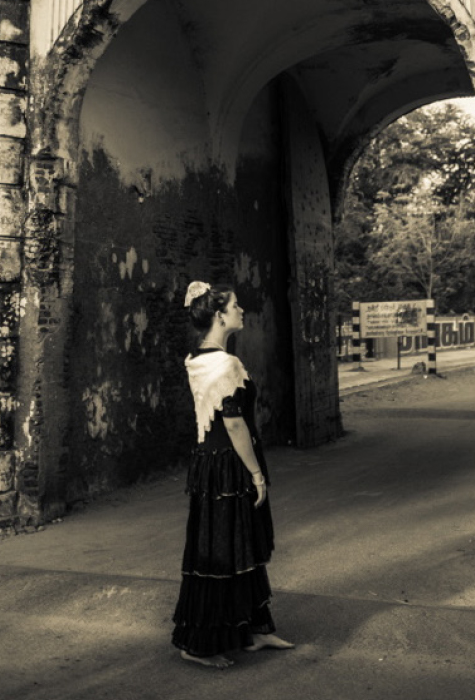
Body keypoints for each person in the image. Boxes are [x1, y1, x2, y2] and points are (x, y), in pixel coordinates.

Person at [171, 280, 295, 668]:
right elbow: (234, 423)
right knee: (225, 550)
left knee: (239, 545)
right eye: (235, 306)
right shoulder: (225, 365)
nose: (242, 310)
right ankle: (198, 644)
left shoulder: (198, 358)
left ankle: (256, 628)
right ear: (220, 316)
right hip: (229, 465)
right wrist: (256, 473)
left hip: (211, 464)